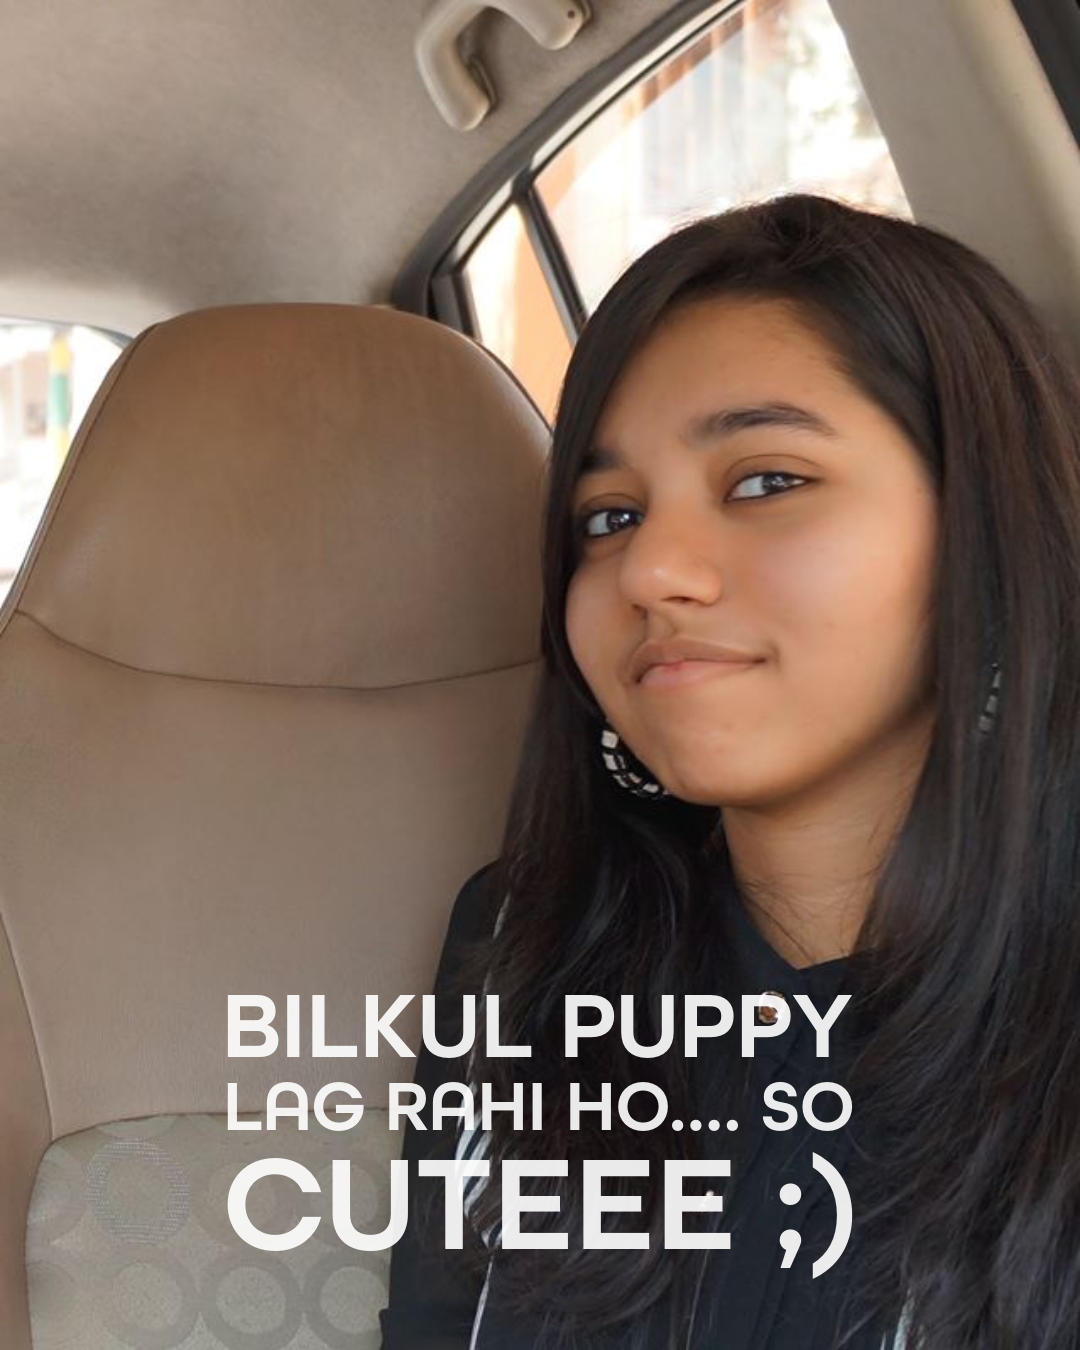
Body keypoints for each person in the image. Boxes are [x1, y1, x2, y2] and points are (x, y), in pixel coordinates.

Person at [379, 194, 1080, 1350]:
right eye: (607, 516)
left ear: (985, 528)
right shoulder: (521, 947)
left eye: (766, 482)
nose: (651, 569)